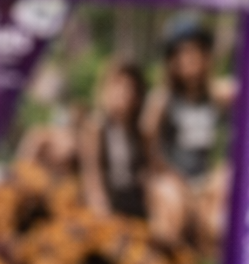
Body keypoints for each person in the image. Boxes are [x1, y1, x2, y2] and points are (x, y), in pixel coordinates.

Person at [143, 14, 236, 250]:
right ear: (171, 61)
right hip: (172, 179)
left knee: (218, 220)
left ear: (206, 57)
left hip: (205, 180)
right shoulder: (163, 100)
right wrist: (170, 177)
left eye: (195, 52)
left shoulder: (216, 94)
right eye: (181, 53)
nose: (188, 59)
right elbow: (148, 144)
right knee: (170, 219)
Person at [80, 58, 147, 218]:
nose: (123, 93)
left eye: (129, 88)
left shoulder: (138, 132)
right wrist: (102, 209)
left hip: (133, 203)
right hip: (107, 203)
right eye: (117, 85)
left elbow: (145, 171)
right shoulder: (96, 127)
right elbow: (92, 176)